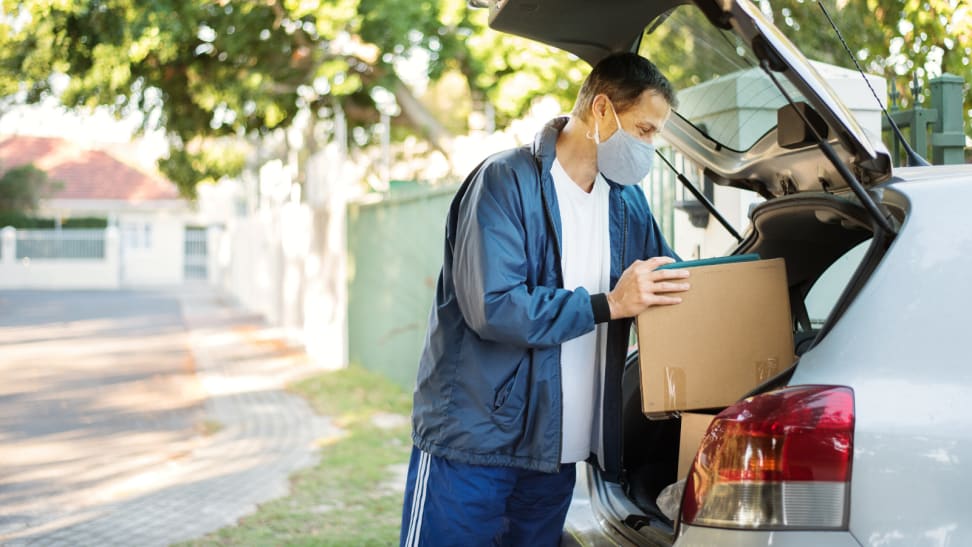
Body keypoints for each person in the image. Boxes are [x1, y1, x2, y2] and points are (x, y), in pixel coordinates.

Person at [399, 52, 690, 547]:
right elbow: (494, 306)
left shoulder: (627, 203)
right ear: (601, 109)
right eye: (644, 129)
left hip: (556, 453)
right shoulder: (504, 182)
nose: (650, 146)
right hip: (475, 446)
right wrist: (608, 305)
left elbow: (668, 284)